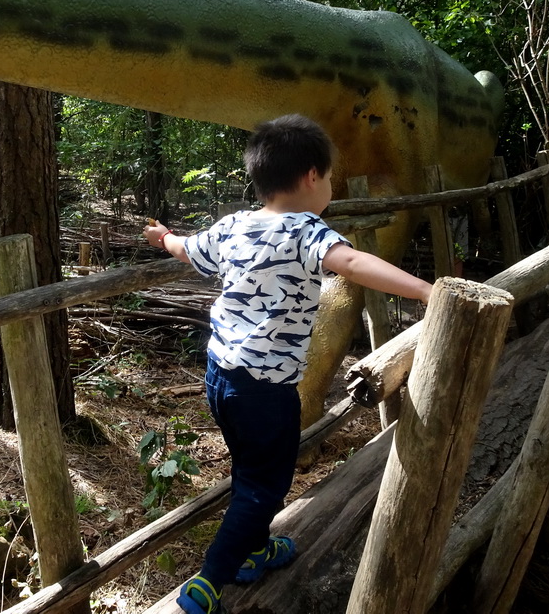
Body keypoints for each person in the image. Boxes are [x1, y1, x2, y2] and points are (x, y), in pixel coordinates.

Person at [142, 114, 432, 614]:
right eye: (330, 178)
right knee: (265, 485)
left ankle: (254, 549)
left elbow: (187, 249)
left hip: (219, 376)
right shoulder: (305, 230)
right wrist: (429, 291)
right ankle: (210, 580)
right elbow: (354, 263)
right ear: (311, 177)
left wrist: (162, 237)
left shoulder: (234, 225)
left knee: (249, 466)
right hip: (265, 388)